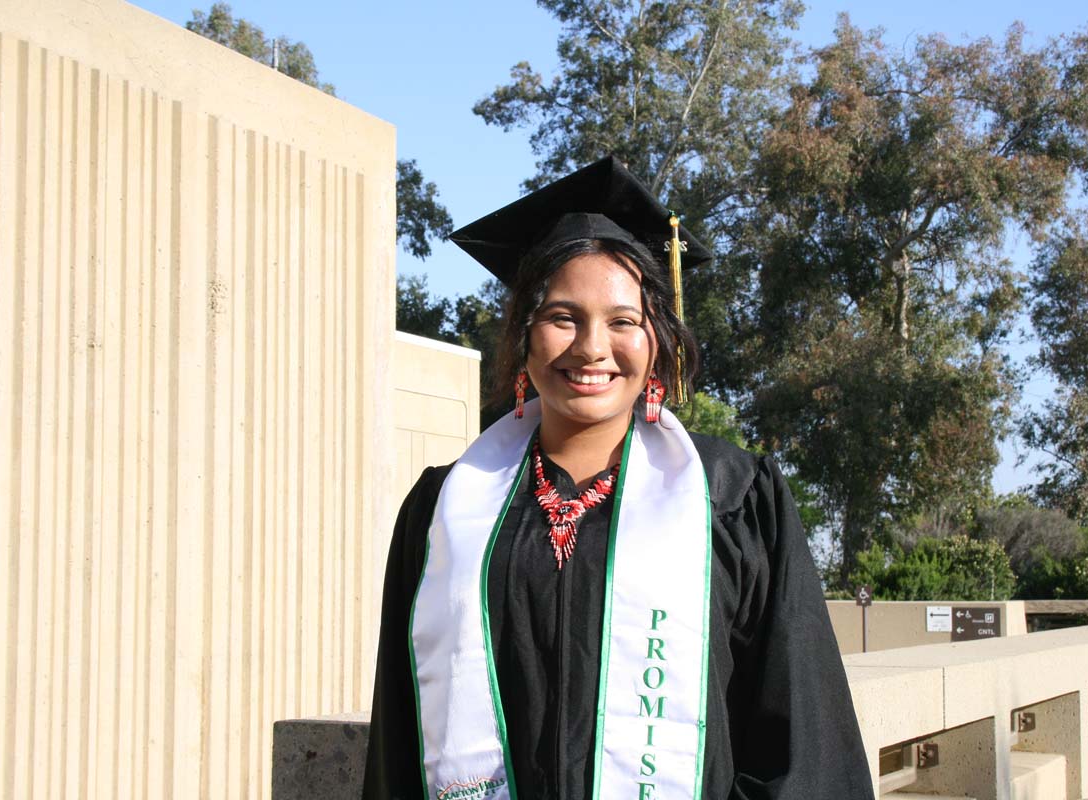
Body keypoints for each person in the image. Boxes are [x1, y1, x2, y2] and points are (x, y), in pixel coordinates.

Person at [363, 157, 874, 800]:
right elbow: (399, 740)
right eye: (562, 316)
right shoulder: (445, 510)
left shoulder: (734, 501)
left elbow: (803, 744)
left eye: (623, 321)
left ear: (657, 340)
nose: (591, 347)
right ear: (524, 335)